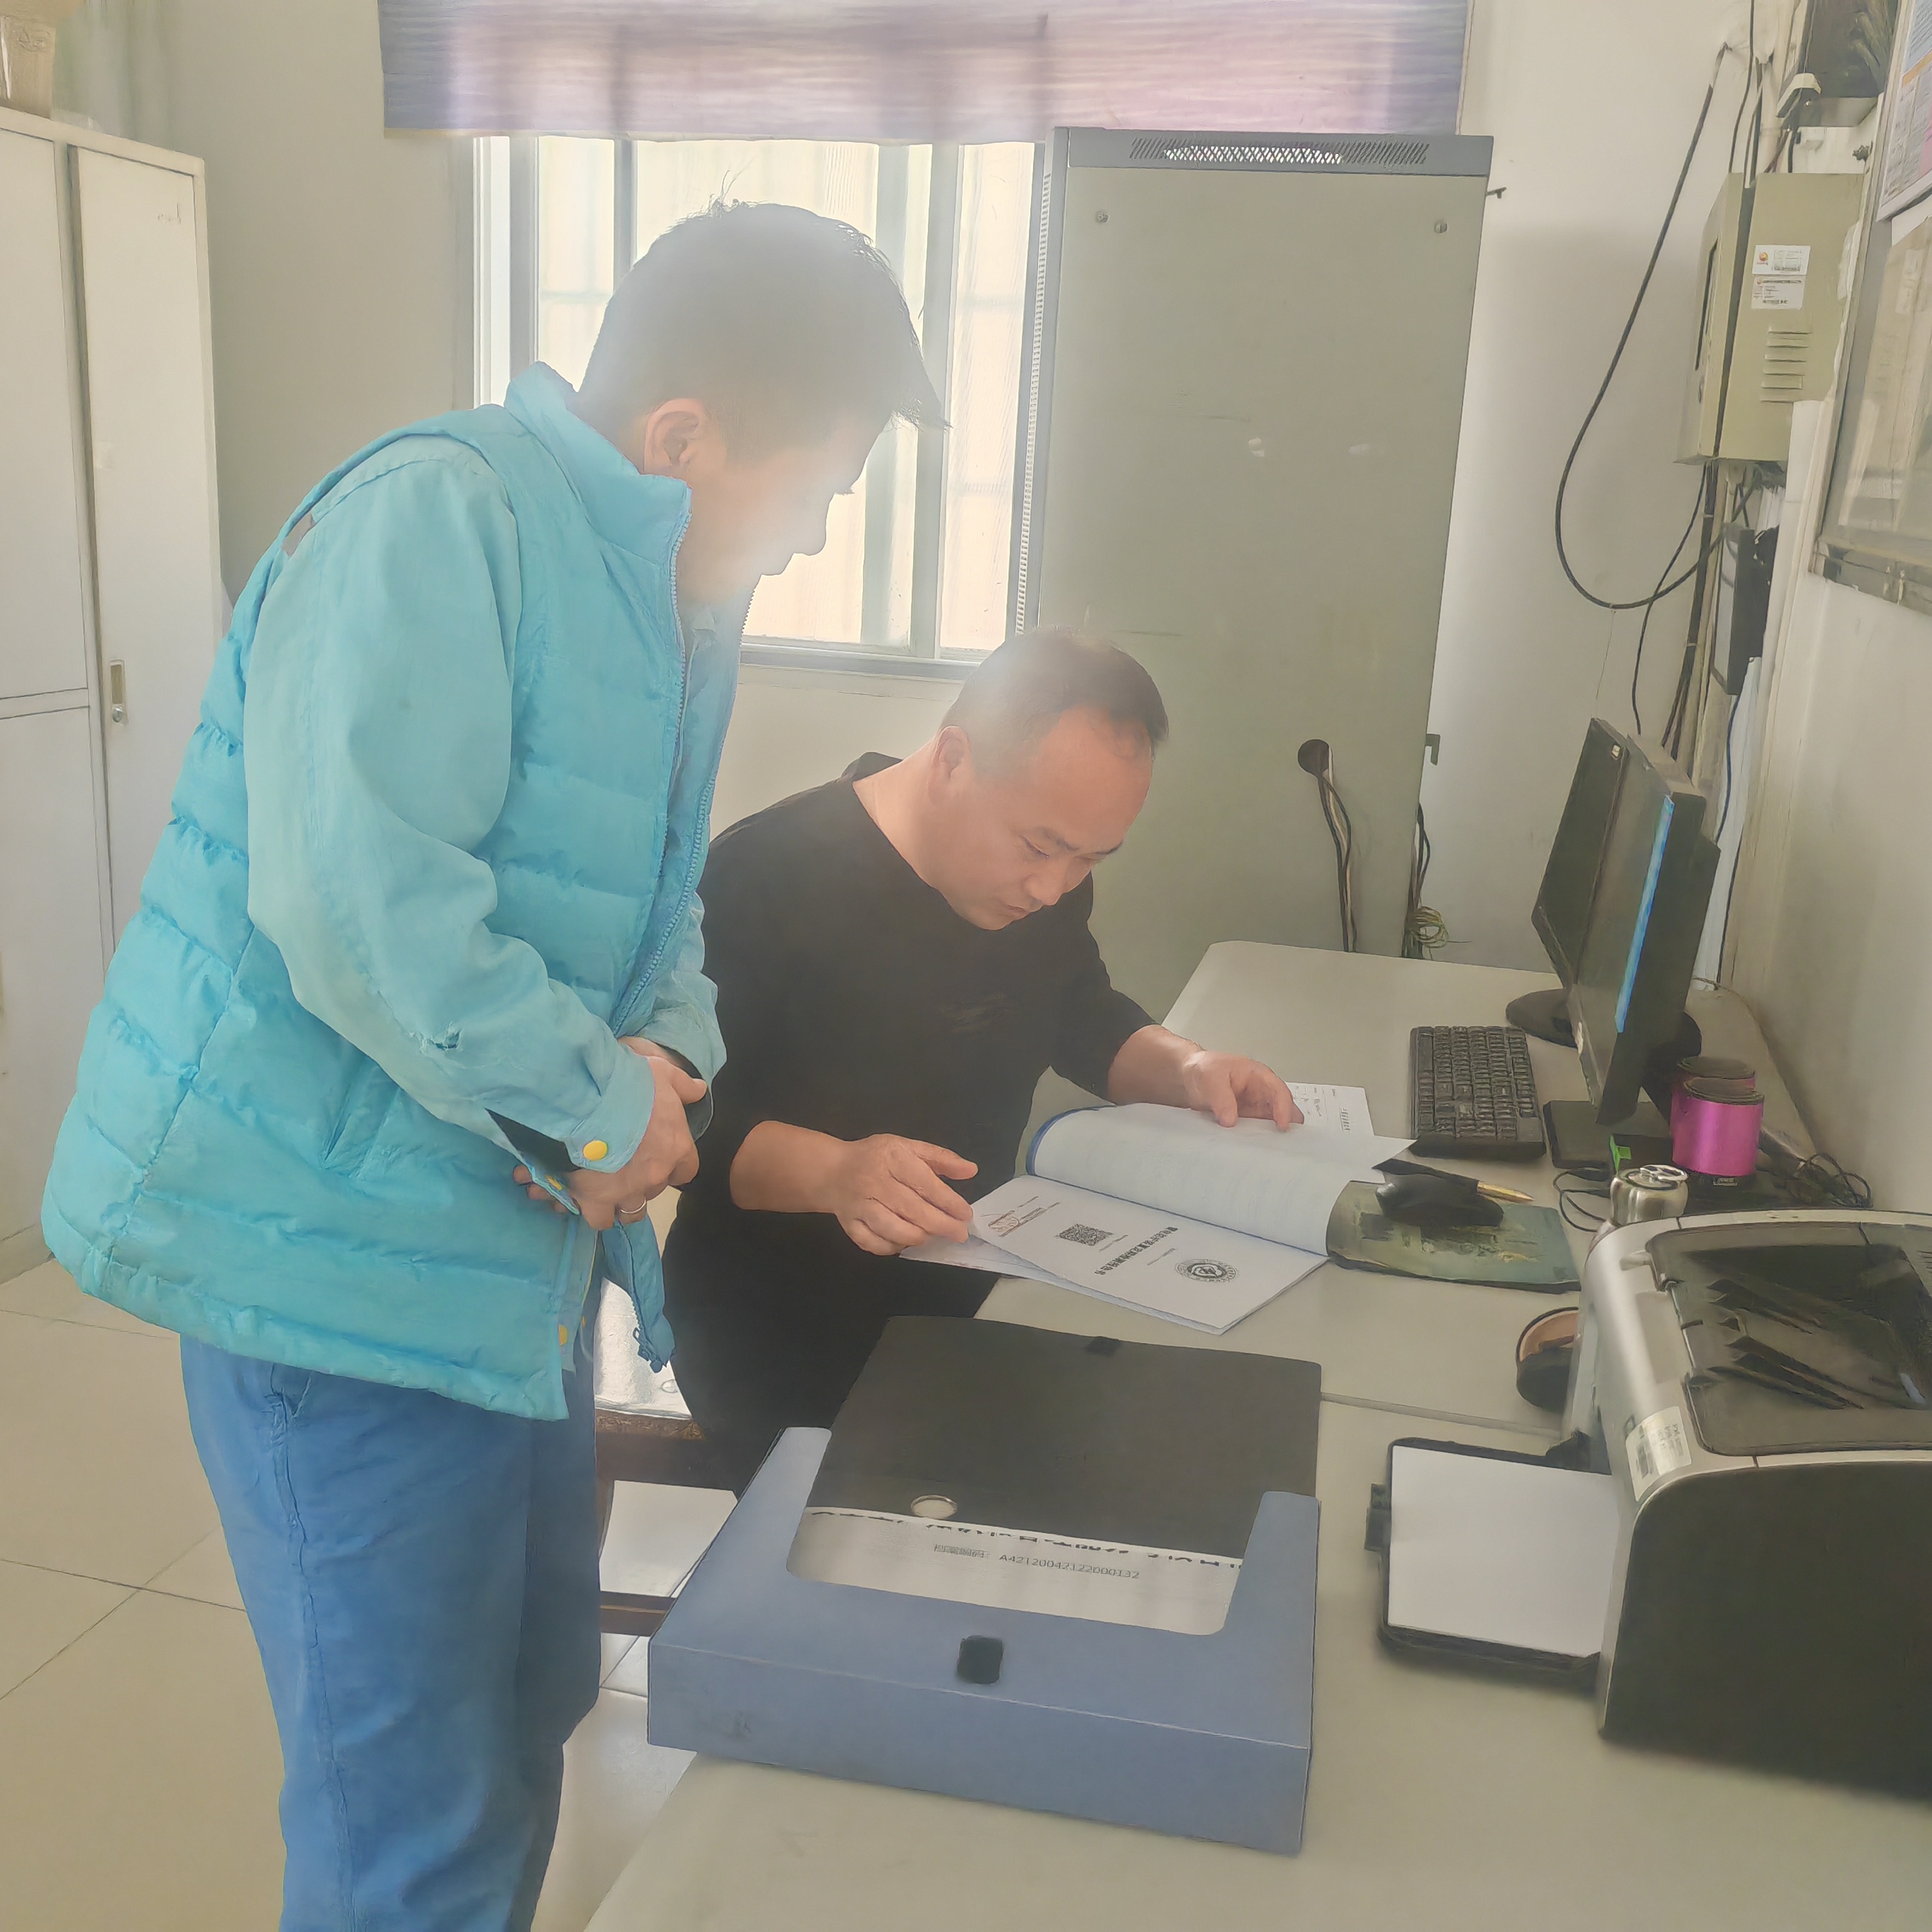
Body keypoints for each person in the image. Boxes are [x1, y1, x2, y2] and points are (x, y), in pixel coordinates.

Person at [42, 203, 939, 1931]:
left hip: (496, 1273)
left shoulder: (673, 595)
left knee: (525, 1715)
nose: (822, 534)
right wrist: (605, 1113)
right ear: (682, 437)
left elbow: (661, 906)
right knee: (414, 1817)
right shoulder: (435, 518)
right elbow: (358, 904)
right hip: (327, 1279)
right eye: (820, 488)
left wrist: (665, 1062)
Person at [651, 631, 1303, 1492]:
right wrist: (838, 1173)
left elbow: (1076, 1007)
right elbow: (687, 1129)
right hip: (774, 1321)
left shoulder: (1044, 883)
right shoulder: (765, 876)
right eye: (1039, 847)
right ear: (953, 759)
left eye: (1090, 859)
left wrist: (1187, 1068)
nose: (1053, 889)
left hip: (975, 1277)